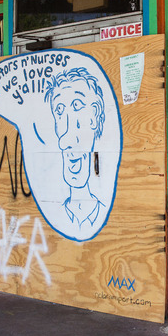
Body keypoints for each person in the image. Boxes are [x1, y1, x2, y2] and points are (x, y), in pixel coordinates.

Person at [44, 66, 107, 235]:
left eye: (77, 105)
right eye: (59, 110)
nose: (65, 139)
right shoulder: (53, 214)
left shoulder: (105, 211)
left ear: (94, 115)